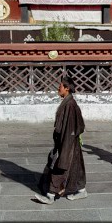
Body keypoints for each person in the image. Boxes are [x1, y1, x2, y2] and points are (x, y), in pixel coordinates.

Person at [35, 76, 87, 204]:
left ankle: (50, 195)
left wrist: (65, 145)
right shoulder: (68, 102)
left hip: (67, 142)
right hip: (69, 141)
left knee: (60, 166)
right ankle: (82, 190)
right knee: (76, 166)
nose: (58, 89)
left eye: (60, 87)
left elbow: (73, 127)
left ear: (67, 88)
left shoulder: (70, 105)